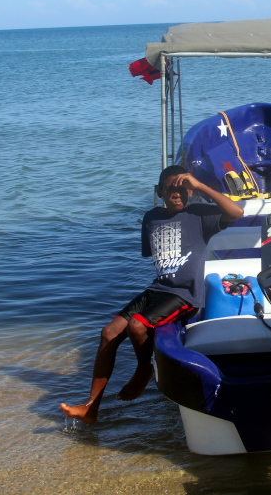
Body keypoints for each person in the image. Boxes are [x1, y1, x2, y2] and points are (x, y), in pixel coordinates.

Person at [60, 165, 244, 424]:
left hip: (185, 296)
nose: (177, 194)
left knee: (137, 326)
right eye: (170, 189)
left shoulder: (199, 215)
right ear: (159, 192)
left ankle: (144, 371)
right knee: (109, 333)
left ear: (190, 191)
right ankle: (90, 408)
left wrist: (200, 185)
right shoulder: (151, 218)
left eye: (183, 189)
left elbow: (237, 212)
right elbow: (155, 256)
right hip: (158, 290)